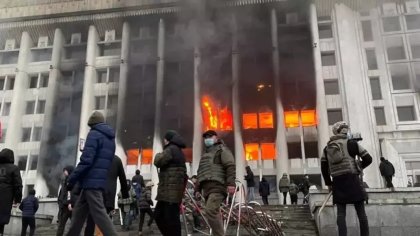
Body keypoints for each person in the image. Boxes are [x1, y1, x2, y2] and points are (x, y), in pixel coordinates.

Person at [65, 111, 118, 236]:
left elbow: (86, 161)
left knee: (100, 214)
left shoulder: (94, 134)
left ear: (92, 124)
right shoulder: (110, 139)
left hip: (91, 182)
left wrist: (71, 179)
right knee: (78, 216)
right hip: (96, 182)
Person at [321, 121, 372, 236]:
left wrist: (329, 184)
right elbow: (368, 159)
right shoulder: (352, 144)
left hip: (337, 182)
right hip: (353, 179)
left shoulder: (327, 148)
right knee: (361, 214)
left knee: (341, 214)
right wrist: (359, 167)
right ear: (345, 131)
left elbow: (323, 168)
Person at [196, 130, 236, 236]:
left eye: (210, 136)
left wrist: (231, 183)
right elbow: (201, 173)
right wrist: (197, 189)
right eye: (205, 137)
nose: (207, 139)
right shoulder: (206, 154)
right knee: (214, 213)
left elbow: (230, 166)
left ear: (216, 138)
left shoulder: (222, 150)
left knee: (210, 210)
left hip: (218, 186)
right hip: (207, 189)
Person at [84, 155, 129, 236]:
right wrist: (125, 194)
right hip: (109, 195)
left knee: (92, 221)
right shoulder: (117, 159)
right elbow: (123, 178)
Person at [154, 130, 187, 236]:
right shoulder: (178, 150)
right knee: (162, 216)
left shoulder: (171, 149)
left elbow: (158, 161)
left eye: (165, 139)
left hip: (170, 193)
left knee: (170, 219)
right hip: (169, 192)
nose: (163, 141)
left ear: (168, 139)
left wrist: (158, 154)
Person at [0, 148, 23, 236]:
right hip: (5, 198)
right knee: (1, 220)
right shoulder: (14, 168)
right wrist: (17, 200)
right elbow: (18, 185)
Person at [56, 166, 80, 236]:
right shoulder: (65, 181)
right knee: (61, 225)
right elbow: (62, 193)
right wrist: (60, 202)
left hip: (70, 206)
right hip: (64, 206)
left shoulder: (73, 180)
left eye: (65, 171)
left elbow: (71, 192)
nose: (64, 173)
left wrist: (70, 203)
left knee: (74, 225)